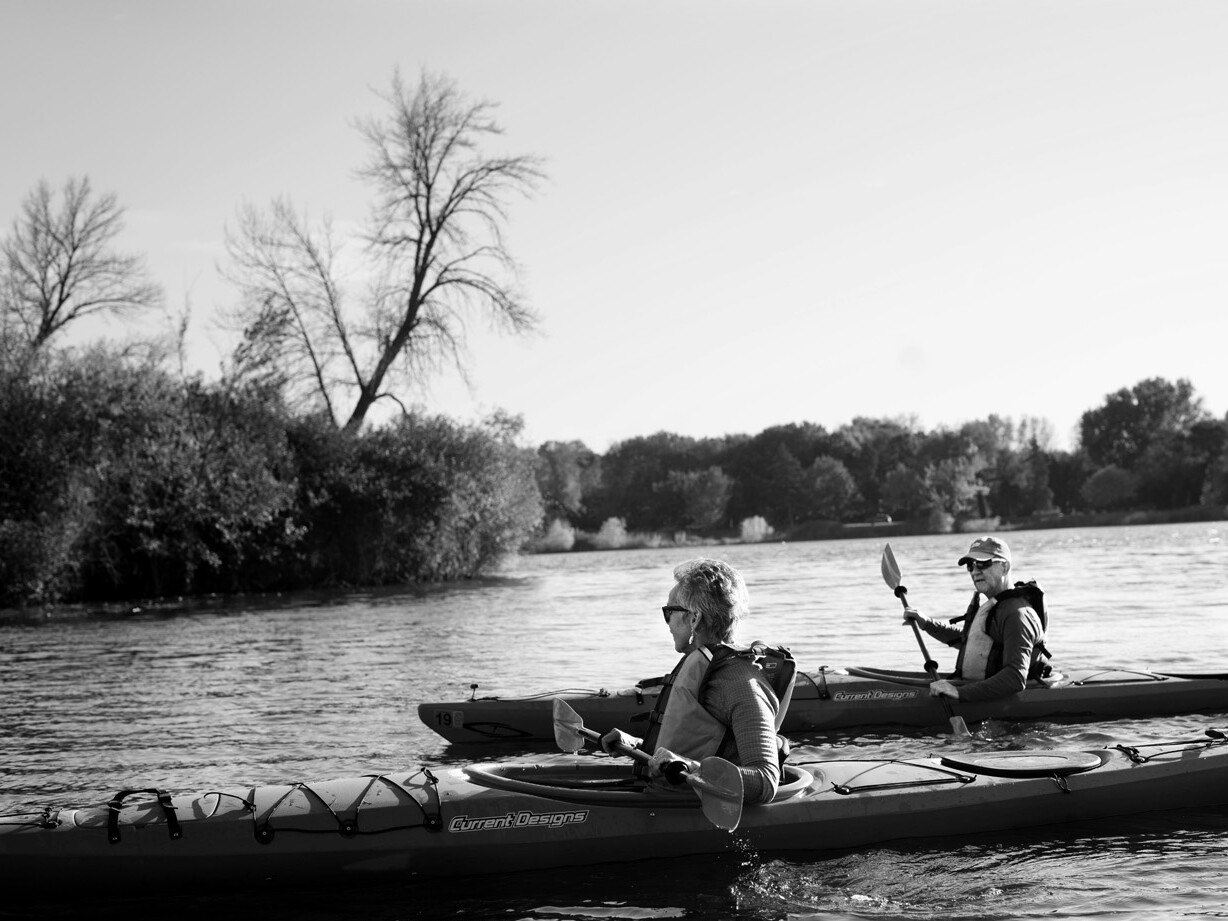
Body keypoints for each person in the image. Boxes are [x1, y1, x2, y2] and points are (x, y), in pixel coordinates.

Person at [600, 558, 793, 805]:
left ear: (694, 619)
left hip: (700, 810)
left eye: (669, 612)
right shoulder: (702, 669)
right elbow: (700, 746)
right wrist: (636, 745)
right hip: (669, 799)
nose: (667, 622)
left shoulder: (741, 685)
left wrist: (692, 769)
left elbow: (764, 781)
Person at [901, 536, 1050, 703]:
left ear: (1005, 567)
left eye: (983, 563)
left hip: (1007, 699)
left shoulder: (1017, 615)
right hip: (979, 689)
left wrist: (959, 693)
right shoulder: (997, 606)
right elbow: (972, 641)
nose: (975, 571)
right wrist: (927, 623)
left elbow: (1015, 678)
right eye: (970, 566)